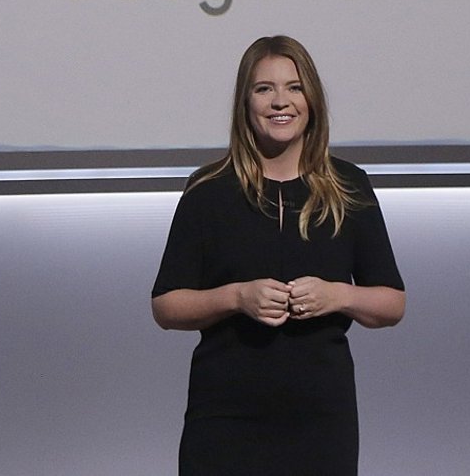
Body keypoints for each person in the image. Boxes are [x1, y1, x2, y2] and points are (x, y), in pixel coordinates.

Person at [152, 35, 405, 476]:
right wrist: (235, 297)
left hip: (321, 419)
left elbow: (392, 303)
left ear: (312, 99)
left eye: (294, 86)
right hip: (225, 416)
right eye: (263, 88)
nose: (280, 101)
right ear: (245, 103)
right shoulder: (209, 189)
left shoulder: (349, 186)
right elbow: (166, 305)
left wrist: (337, 296)